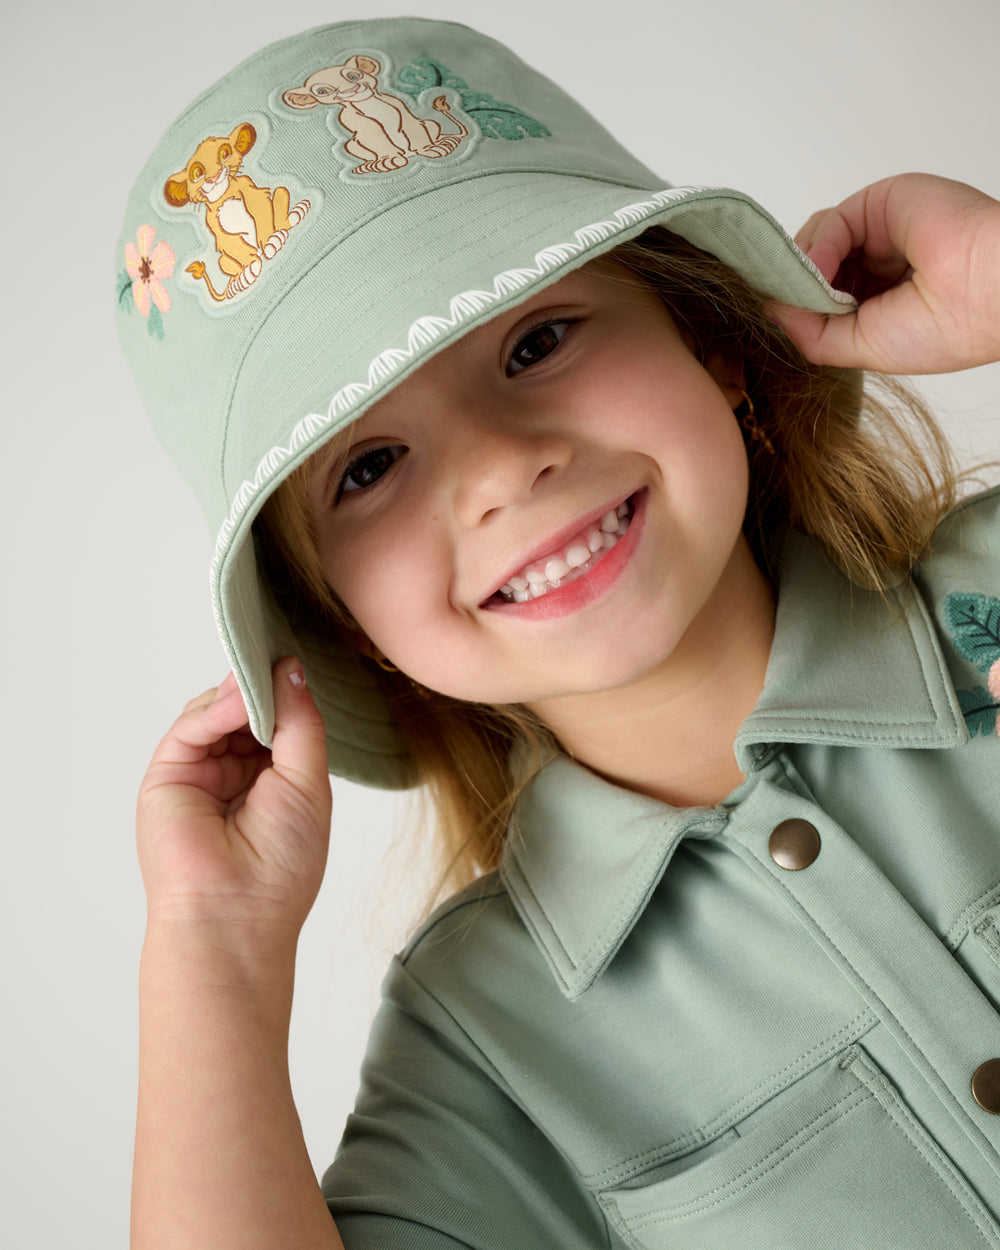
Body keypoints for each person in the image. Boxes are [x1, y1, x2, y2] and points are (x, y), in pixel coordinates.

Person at [117, 17, 1000, 1250]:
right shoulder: (492, 1033)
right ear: (344, 623)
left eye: (537, 340)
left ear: (715, 345)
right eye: (368, 467)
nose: (494, 469)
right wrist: (211, 953)